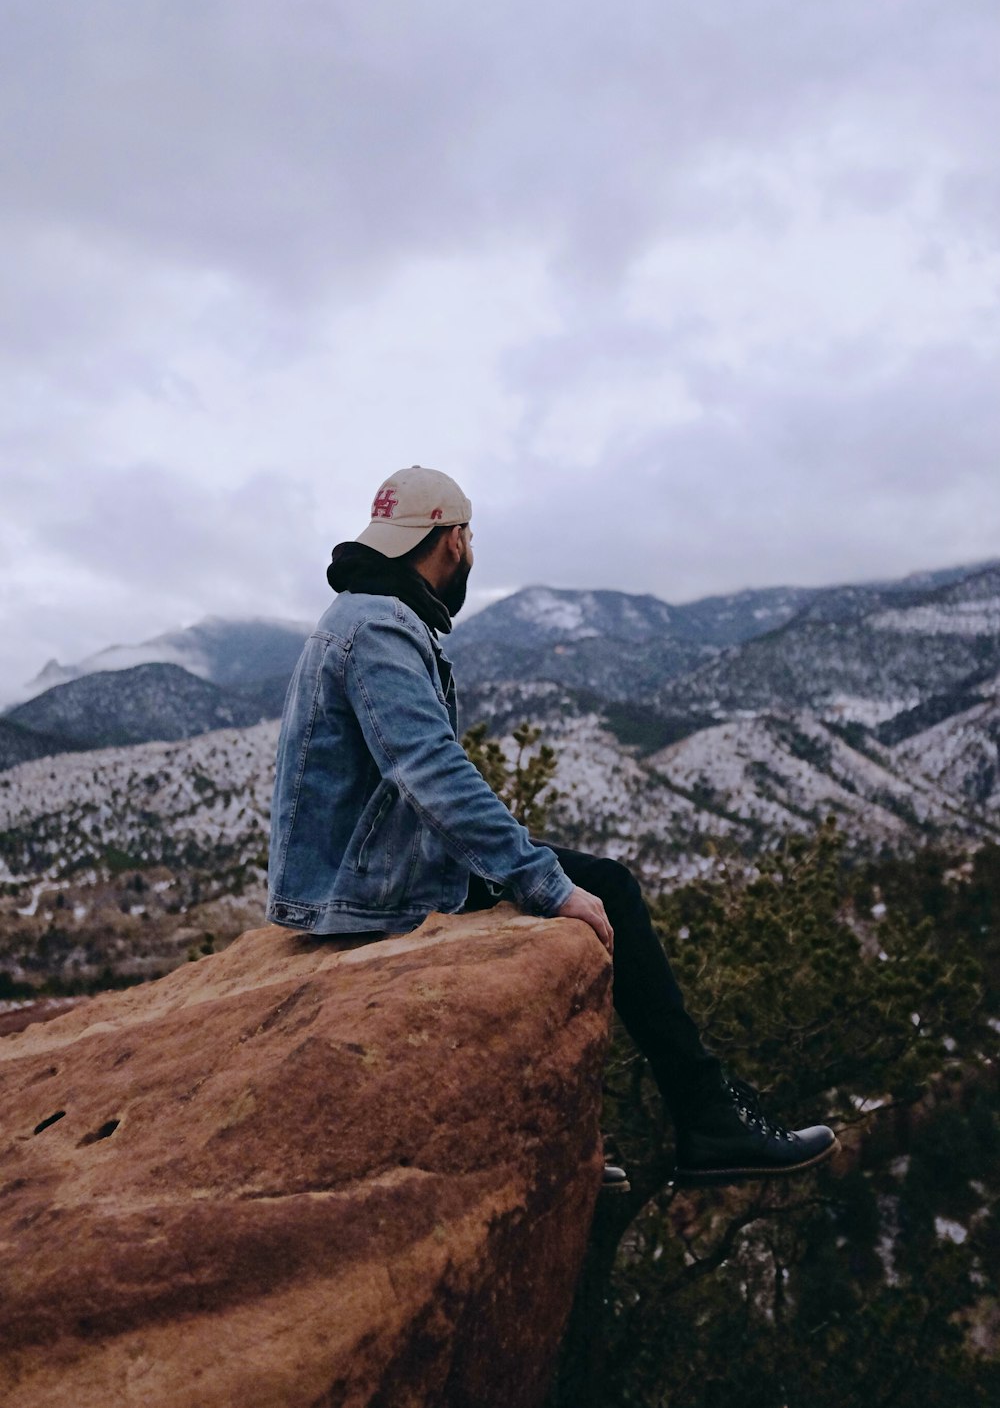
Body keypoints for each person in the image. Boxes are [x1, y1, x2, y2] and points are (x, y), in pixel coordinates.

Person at [267, 465, 838, 1187]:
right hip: (371, 884)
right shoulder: (379, 626)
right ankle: (703, 1121)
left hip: (370, 865)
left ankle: (588, 1138)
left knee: (598, 884)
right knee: (602, 894)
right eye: (465, 539)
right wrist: (541, 882)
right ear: (454, 541)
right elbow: (428, 767)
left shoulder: (363, 613)